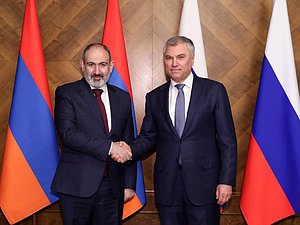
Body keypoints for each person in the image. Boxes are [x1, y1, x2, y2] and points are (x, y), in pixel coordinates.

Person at [113, 36, 237, 225]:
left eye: (180, 57)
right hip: (168, 187)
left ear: (192, 59)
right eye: (169, 58)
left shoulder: (214, 91)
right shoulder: (154, 97)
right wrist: (127, 149)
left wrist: (226, 181)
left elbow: (227, 141)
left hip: (205, 185)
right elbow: (148, 137)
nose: (174, 63)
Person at [51, 43, 136, 225]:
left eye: (103, 65)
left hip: (112, 188)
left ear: (111, 66)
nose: (97, 71)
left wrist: (129, 183)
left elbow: (128, 141)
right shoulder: (67, 93)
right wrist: (110, 147)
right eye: (91, 64)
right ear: (82, 65)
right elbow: (68, 134)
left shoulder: (122, 97)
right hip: (76, 186)